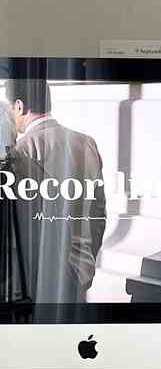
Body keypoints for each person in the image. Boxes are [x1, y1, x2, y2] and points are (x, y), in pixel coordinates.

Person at [5, 78, 106, 304]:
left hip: (38, 280)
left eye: (10, 107)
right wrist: (86, 260)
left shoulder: (21, 152)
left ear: (19, 106)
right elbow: (99, 213)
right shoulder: (86, 143)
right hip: (79, 273)